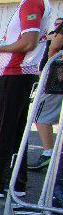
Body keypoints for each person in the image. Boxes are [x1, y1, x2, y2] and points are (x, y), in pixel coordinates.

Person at [0, 0, 52, 198]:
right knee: (14, 132)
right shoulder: (35, 0)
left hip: (16, 73)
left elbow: (28, 43)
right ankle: (16, 183)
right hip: (20, 74)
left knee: (3, 130)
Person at [30, 18, 63, 171]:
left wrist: (48, 70)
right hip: (56, 77)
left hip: (56, 79)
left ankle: (49, 153)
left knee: (41, 116)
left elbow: (54, 47)